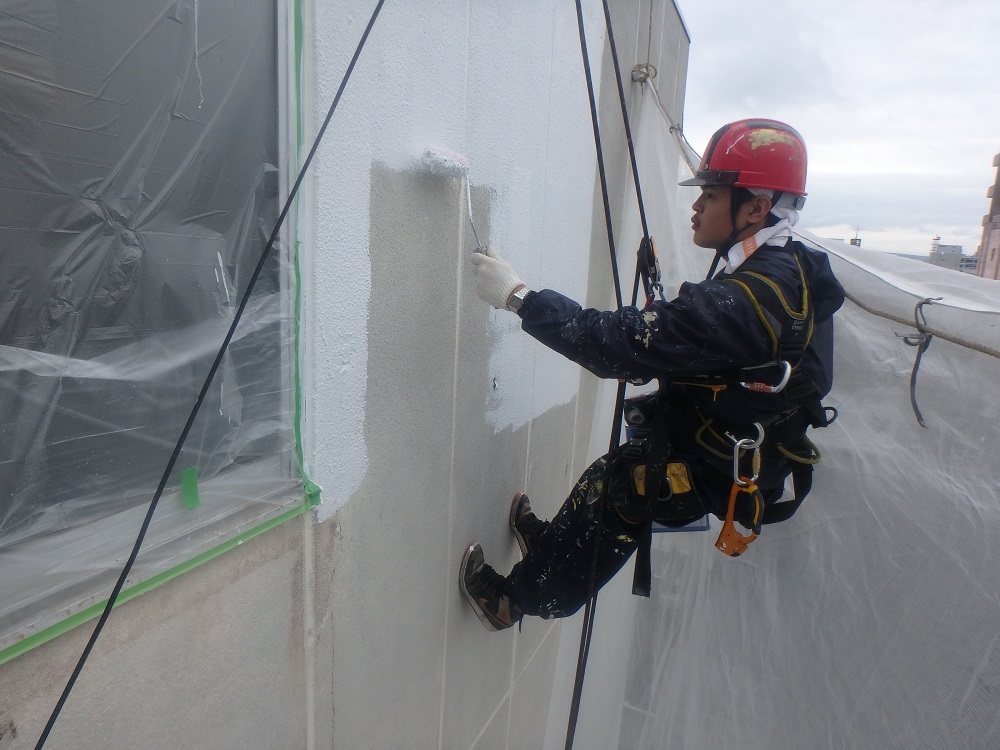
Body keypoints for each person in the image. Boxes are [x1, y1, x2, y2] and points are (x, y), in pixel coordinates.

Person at [459, 119, 846, 632]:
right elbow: (707, 336)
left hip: (719, 469)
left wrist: (520, 298)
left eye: (710, 194)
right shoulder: (780, 263)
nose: (696, 206)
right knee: (613, 473)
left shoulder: (752, 298)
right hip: (728, 446)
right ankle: (549, 547)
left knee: (620, 488)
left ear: (756, 207)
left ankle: (515, 602)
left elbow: (621, 345)